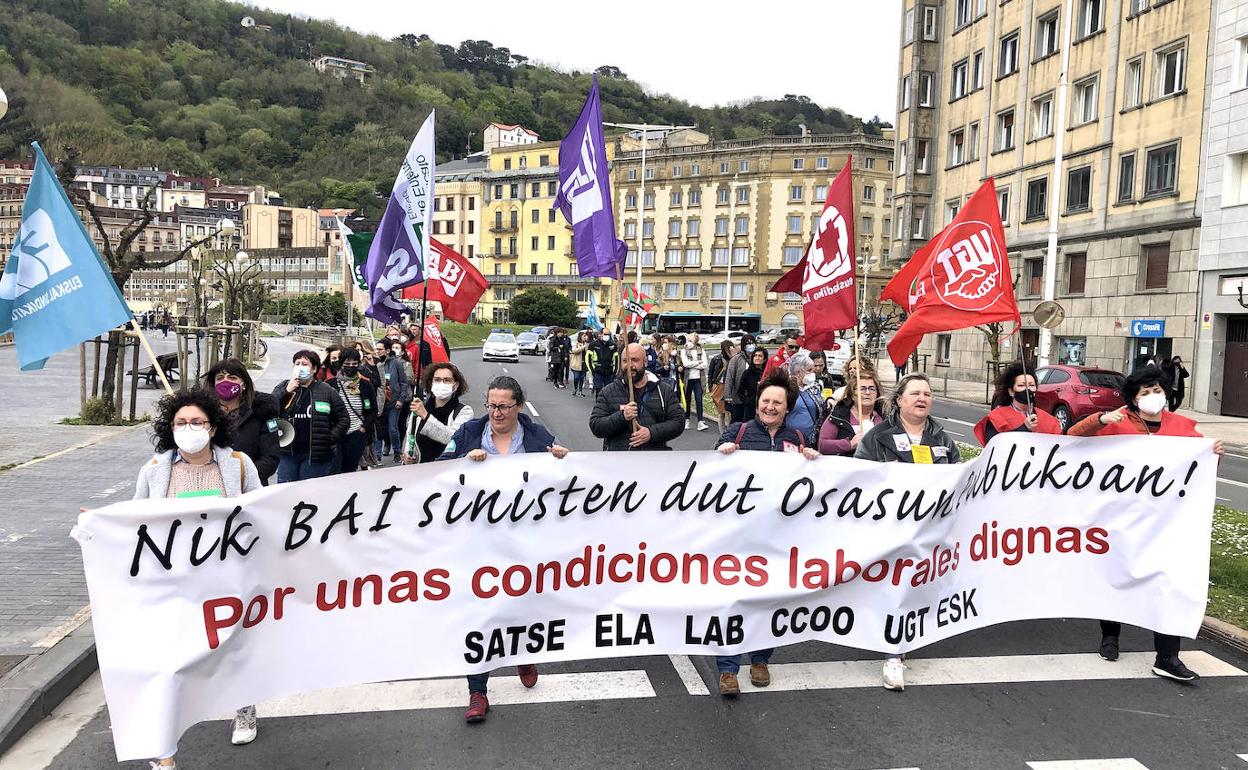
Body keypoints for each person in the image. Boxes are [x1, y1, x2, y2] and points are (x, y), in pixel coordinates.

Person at [1066, 366, 1224, 683]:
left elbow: (1198, 469)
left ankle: (1167, 657)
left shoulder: (1181, 428)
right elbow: (1071, 439)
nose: (1153, 396)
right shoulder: (1117, 423)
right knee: (1116, 576)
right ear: (1134, 398)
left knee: (1167, 584)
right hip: (1120, 519)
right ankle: (1110, 635)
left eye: (1157, 390)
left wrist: (1214, 455)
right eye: (1145, 391)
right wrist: (1100, 420)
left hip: (1165, 525)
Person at [135, 389, 263, 767]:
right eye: (180, 423)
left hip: (226, 577)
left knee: (233, 649)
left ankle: (244, 707)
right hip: (174, 582)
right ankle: (164, 753)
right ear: (170, 427)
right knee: (171, 663)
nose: (188, 428)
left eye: (196, 422)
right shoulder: (154, 470)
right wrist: (99, 524)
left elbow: (262, 511)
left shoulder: (237, 465)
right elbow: (135, 520)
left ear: (212, 427)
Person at [438, 375, 569, 723]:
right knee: (480, 615)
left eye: (503, 406)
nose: (496, 413)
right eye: (491, 405)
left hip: (525, 544)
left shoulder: (538, 437)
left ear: (519, 407)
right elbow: (438, 470)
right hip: (478, 544)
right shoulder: (470, 433)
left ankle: (522, 653)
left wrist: (561, 460)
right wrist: (463, 460)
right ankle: (477, 691)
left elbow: (563, 482)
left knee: (521, 605)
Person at [713, 369, 820, 695]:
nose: (770, 407)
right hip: (739, 535)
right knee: (733, 600)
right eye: (765, 401)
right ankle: (728, 667)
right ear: (758, 402)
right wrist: (722, 453)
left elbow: (812, 484)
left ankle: (760, 659)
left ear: (787, 407)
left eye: (777, 402)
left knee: (769, 599)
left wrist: (813, 459)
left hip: (778, 538)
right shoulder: (739, 431)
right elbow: (709, 474)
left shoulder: (797, 439)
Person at [855, 373, 962, 692]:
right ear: (900, 400)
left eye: (927, 394)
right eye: (915, 393)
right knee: (894, 587)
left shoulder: (942, 439)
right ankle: (894, 654)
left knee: (916, 587)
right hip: (890, 528)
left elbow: (959, 477)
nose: (922, 398)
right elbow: (859, 478)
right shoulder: (877, 437)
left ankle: (901, 640)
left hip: (929, 529)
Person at [589, 342, 686, 451]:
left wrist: (651, 433)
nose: (629, 365)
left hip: (654, 458)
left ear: (645, 362)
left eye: (635, 360)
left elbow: (678, 421)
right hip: (619, 458)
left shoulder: (663, 390)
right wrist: (622, 416)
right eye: (625, 361)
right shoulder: (608, 391)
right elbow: (596, 426)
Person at [273, 350, 349, 482]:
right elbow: (268, 411)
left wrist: (329, 438)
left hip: (315, 456)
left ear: (314, 369)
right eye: (297, 364)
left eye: (304, 364)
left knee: (310, 491)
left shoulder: (327, 391)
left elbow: (343, 419)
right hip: (287, 453)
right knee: (286, 489)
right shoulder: (284, 386)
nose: (300, 367)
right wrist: (286, 391)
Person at [203, 359, 280, 485]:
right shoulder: (203, 414)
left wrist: (240, 477)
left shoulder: (262, 412)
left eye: (232, 378)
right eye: (220, 378)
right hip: (211, 485)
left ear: (243, 384)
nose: (225, 382)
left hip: (250, 487)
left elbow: (270, 459)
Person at [973, 363, 1062, 445]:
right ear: (1011, 391)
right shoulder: (997, 417)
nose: (1027, 389)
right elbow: (994, 446)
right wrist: (1024, 428)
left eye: (1031, 385)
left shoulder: (1050, 421)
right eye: (1021, 385)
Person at [404, 362, 474, 463]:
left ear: (455, 385)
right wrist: (407, 454)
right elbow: (410, 436)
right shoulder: (420, 408)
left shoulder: (464, 411)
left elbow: (453, 439)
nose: (441, 383)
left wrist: (426, 417)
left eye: (447, 380)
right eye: (437, 380)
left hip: (448, 468)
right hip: (422, 468)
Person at [329, 348, 380, 474]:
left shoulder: (365, 385)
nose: (351, 367)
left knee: (350, 469)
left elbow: (373, 410)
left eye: (354, 364)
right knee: (334, 469)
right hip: (335, 433)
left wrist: (364, 428)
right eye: (347, 364)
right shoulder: (330, 384)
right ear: (341, 364)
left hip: (356, 433)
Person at [819, 369, 886, 456]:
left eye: (872, 389)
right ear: (852, 395)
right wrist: (849, 444)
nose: (867, 392)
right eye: (862, 389)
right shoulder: (839, 415)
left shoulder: (886, 416)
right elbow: (822, 445)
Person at [375, 338, 412, 464]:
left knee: (392, 428)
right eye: (376, 349)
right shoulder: (375, 364)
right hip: (380, 403)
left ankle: (397, 451)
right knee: (379, 430)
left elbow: (403, 382)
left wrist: (401, 399)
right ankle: (377, 456)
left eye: (380, 349)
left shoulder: (396, 363)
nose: (377, 351)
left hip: (393, 401)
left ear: (387, 350)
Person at [784, 352, 824, 446]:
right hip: (792, 439)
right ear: (798, 372)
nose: (812, 373)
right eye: (809, 370)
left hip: (812, 439)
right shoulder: (786, 389)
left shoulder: (815, 387)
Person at [722, 334, 759, 423]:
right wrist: (728, 397)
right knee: (737, 421)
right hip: (738, 397)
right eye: (748, 343)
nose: (750, 345)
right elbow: (729, 378)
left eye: (752, 343)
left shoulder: (758, 358)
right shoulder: (736, 359)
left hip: (753, 398)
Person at [680, 333, 709, 431]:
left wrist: (693, 365)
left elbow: (705, 365)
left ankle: (700, 421)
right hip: (688, 379)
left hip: (698, 379)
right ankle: (687, 420)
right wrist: (698, 362)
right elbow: (685, 364)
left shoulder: (701, 351)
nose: (688, 343)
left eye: (690, 341)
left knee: (699, 400)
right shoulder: (683, 351)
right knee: (687, 400)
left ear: (695, 342)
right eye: (688, 340)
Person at [708, 340, 737, 433]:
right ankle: (723, 433)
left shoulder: (735, 359)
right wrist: (711, 387)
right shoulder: (716, 359)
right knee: (721, 412)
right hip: (720, 388)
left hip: (730, 388)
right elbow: (710, 374)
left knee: (730, 412)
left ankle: (729, 432)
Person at [736, 347, 768, 423]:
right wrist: (748, 401)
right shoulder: (747, 373)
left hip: (765, 407)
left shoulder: (768, 373)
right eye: (755, 355)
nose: (757, 358)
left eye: (760, 356)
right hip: (750, 409)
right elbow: (740, 391)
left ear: (764, 359)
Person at [586, 329, 620, 396]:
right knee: (599, 389)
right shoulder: (593, 345)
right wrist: (592, 371)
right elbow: (588, 358)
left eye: (608, 334)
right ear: (600, 334)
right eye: (605, 334)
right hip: (597, 372)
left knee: (608, 391)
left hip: (609, 372)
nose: (607, 336)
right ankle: (599, 401)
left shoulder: (613, 345)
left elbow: (616, 359)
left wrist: (615, 372)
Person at [570, 331, 590, 397]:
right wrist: (583, 347)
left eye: (585, 336)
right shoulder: (576, 343)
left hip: (584, 363)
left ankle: (580, 391)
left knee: (582, 378)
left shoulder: (587, 344)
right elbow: (574, 351)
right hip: (577, 363)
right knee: (576, 377)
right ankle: (575, 389)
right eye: (583, 336)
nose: (585, 337)